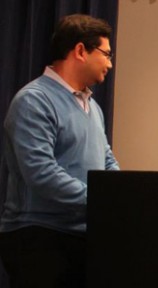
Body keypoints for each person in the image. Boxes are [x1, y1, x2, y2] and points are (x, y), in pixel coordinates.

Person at [0, 14, 119, 288]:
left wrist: (121, 195)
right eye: (106, 54)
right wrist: (102, 201)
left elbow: (107, 161)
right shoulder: (35, 100)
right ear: (80, 51)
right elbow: (42, 173)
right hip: (40, 237)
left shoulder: (94, 108)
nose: (110, 64)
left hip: (81, 236)